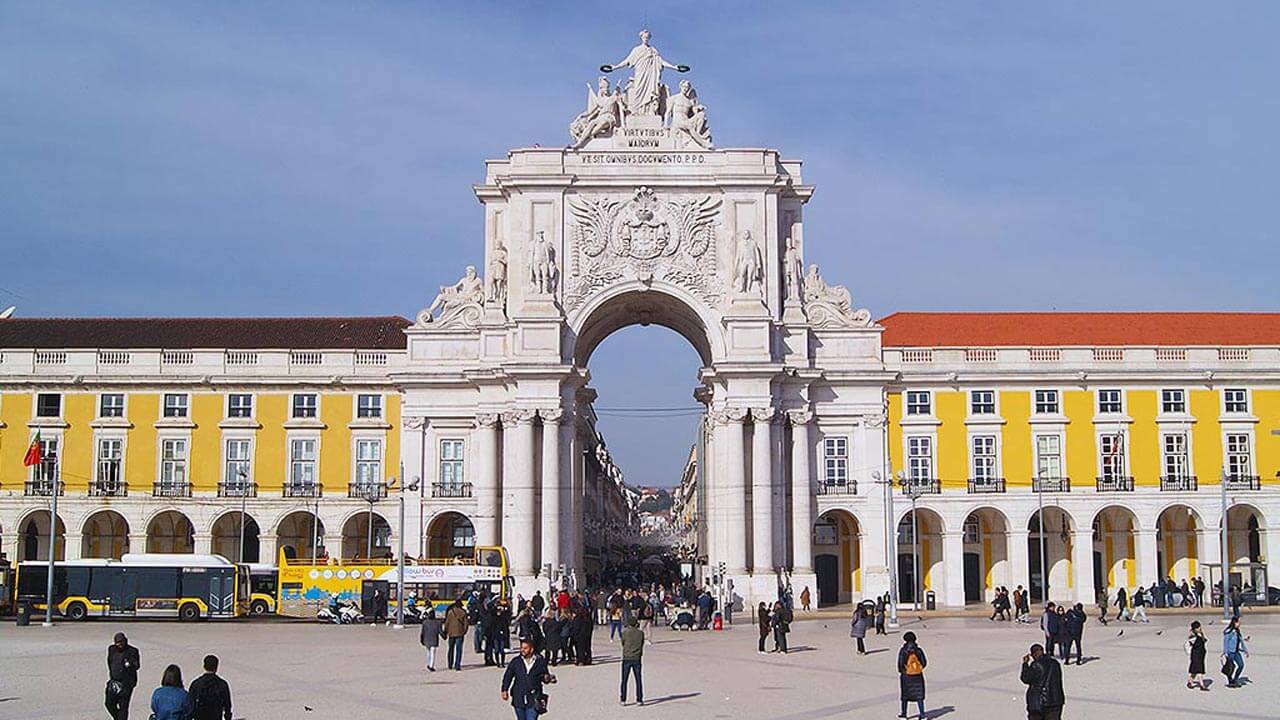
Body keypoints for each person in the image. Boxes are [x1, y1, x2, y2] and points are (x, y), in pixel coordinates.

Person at [501, 638, 555, 720]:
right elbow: (508, 676)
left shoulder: (540, 661)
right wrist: (504, 689)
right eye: (521, 648)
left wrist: (547, 678)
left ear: (531, 649)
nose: (522, 650)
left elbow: (544, 676)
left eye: (525, 648)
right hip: (518, 697)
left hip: (534, 698)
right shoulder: (516, 661)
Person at [1020, 643, 1065, 720]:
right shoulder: (1055, 663)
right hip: (1056, 701)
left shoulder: (1036, 665)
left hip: (1039, 703)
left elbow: (1025, 678)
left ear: (1035, 653)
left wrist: (1025, 664)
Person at [106, 632, 141, 720]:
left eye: (121, 642)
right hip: (114, 681)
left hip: (126, 683)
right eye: (117, 642)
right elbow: (110, 662)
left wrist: (129, 664)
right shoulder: (112, 649)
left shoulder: (132, 651)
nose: (119, 644)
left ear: (125, 641)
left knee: (123, 707)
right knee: (109, 703)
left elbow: (137, 666)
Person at [188, 655, 232, 720]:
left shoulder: (196, 684)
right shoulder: (222, 684)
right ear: (216, 667)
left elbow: (190, 705)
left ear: (204, 666)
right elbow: (227, 706)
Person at [897, 631, 927, 719]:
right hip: (917, 675)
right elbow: (924, 662)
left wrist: (902, 671)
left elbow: (900, 663)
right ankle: (922, 714)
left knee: (905, 696)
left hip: (906, 675)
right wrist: (918, 669)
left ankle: (904, 714)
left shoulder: (903, 650)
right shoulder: (918, 650)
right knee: (919, 696)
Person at [620, 617, 645, 706]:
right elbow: (642, 643)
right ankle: (639, 699)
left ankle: (623, 699)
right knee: (638, 679)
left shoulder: (625, 633)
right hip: (637, 657)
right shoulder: (640, 633)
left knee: (624, 680)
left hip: (627, 657)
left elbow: (623, 643)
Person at [444, 598, 469, 671]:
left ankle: (450, 664)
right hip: (460, 633)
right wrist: (464, 631)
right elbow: (466, 624)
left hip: (451, 633)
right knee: (459, 650)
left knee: (450, 649)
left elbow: (447, 623)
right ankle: (457, 665)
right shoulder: (463, 612)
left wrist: (445, 631)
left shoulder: (450, 612)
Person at [1222, 616, 1247, 688]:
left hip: (1236, 652)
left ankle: (1235, 679)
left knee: (1241, 665)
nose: (1239, 624)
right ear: (1234, 622)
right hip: (1230, 652)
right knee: (1230, 667)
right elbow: (1225, 642)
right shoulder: (1229, 631)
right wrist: (1225, 652)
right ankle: (1230, 680)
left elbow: (1241, 641)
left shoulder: (1237, 631)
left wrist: (1245, 650)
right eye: (1238, 622)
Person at [420, 606, 445, 673]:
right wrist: (444, 636)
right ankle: (431, 666)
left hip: (426, 640)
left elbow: (422, 632)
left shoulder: (425, 622)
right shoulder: (438, 622)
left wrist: (421, 639)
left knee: (428, 653)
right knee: (433, 653)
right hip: (434, 640)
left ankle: (428, 664)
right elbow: (440, 631)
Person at [1186, 621, 1208, 691]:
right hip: (1196, 655)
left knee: (1194, 670)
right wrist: (1189, 652)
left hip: (1201, 654)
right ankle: (1202, 685)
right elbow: (1188, 644)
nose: (1200, 628)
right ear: (1195, 628)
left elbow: (1204, 641)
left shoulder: (1200, 634)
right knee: (1199, 670)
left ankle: (1190, 681)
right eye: (1198, 627)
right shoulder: (1193, 636)